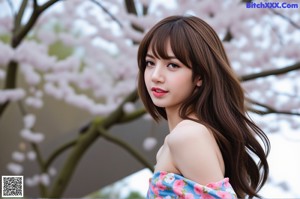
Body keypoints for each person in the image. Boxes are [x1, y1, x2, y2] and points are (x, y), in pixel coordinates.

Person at [137, 15, 270, 199]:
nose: (155, 76)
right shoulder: (181, 139)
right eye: (150, 63)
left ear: (200, 76)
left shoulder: (187, 137)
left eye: (172, 65)